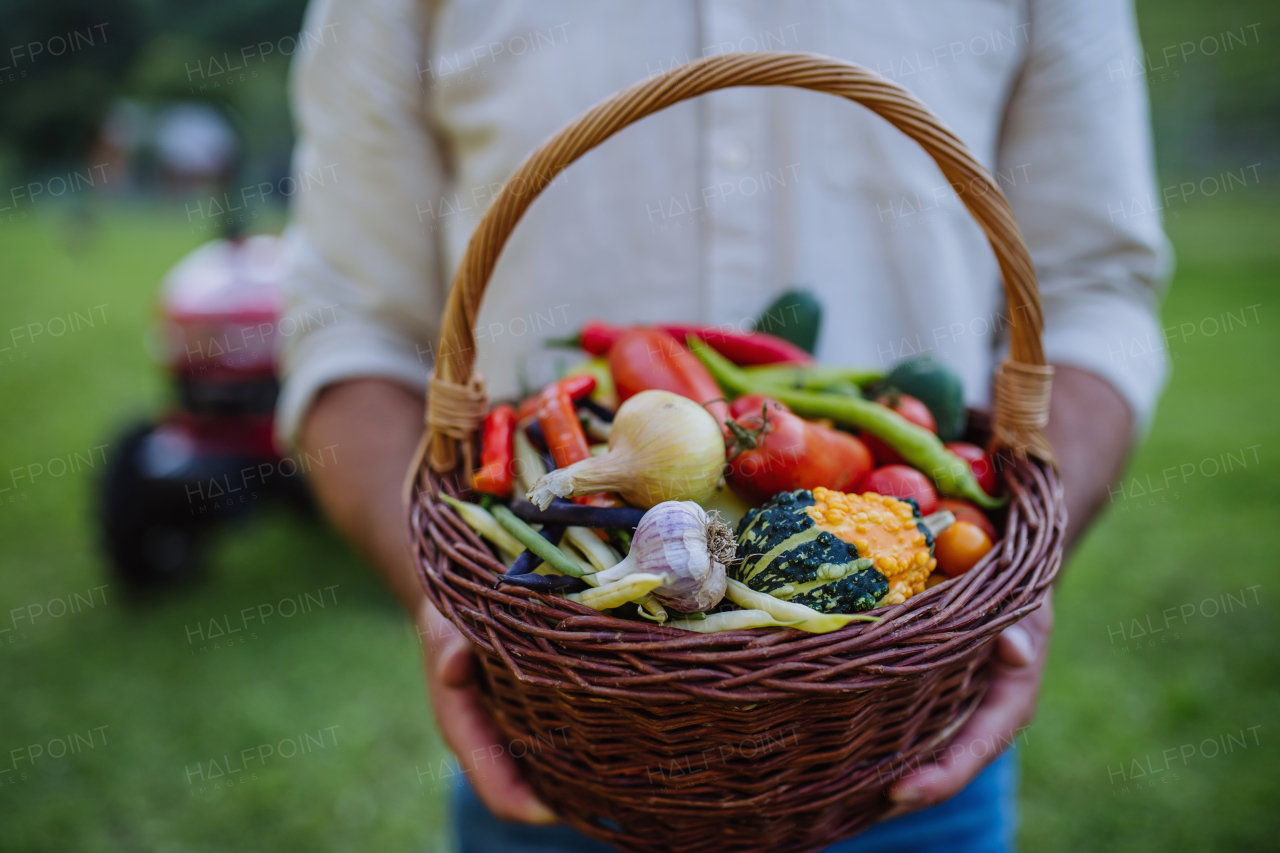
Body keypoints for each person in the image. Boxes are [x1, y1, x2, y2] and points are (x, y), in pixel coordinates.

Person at [278, 1, 1168, 850]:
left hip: (916, 729)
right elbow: (348, 321)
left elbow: (1096, 290)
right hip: (550, 722)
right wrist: (441, 599)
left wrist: (1018, 586)